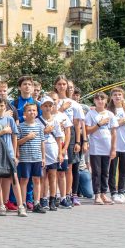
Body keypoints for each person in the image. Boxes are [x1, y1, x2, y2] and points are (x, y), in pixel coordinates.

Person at [0, 95, 27, 217]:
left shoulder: (9, 119)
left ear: (5, 106)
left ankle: (20, 205)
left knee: (14, 178)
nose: (0, 108)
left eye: (2, 106)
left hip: (9, 153)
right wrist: (2, 132)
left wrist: (15, 153)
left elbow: (14, 136)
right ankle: (1, 205)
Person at [54, 75, 85, 208]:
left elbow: (77, 123)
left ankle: (67, 195)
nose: (62, 86)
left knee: (69, 167)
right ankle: (55, 195)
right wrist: (61, 108)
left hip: (70, 134)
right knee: (54, 167)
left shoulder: (74, 103)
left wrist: (78, 142)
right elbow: (50, 114)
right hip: (55, 133)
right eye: (59, 84)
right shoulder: (52, 100)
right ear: (55, 85)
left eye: (64, 84)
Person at [85, 92, 117, 205]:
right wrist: (99, 124)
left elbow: (114, 133)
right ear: (94, 101)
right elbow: (87, 130)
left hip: (107, 147)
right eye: (97, 99)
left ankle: (104, 193)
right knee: (96, 172)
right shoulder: (90, 114)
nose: (100, 101)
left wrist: (113, 149)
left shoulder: (110, 114)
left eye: (102, 99)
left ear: (106, 100)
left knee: (105, 172)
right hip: (95, 147)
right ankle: (97, 194)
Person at [107, 87, 125, 204]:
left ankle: (121, 192)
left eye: (119, 94)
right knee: (112, 170)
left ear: (123, 96)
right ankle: (113, 193)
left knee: (123, 170)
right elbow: (107, 128)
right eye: (115, 95)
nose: (117, 97)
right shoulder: (109, 111)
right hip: (113, 145)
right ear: (111, 97)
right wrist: (119, 123)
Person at [16, 103, 45, 214]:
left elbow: (42, 143)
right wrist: (27, 137)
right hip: (25, 158)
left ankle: (36, 202)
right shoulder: (20, 126)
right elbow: (17, 142)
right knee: (24, 180)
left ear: (37, 113)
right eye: (29, 110)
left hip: (37, 158)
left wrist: (43, 157)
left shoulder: (39, 127)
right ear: (24, 113)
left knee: (37, 180)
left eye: (34, 110)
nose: (32, 112)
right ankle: (22, 203)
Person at [38, 97, 64, 211]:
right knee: (43, 177)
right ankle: (43, 198)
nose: (48, 108)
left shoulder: (55, 121)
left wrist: (60, 153)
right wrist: (45, 131)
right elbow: (35, 136)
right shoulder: (37, 121)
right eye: (45, 106)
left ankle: (52, 198)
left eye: (50, 105)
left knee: (53, 176)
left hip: (53, 150)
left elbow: (59, 138)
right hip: (41, 151)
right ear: (41, 107)